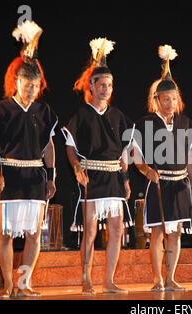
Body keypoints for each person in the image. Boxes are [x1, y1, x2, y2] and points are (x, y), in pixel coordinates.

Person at [0, 21, 57, 298]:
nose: (32, 90)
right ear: (17, 81)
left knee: (34, 235)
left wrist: (52, 176)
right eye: (28, 84)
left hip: (35, 177)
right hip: (7, 177)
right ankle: (9, 286)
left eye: (36, 85)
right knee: (5, 235)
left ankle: (24, 284)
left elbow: (48, 145)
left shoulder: (44, 111)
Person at [62, 37, 134, 294]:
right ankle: (86, 278)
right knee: (90, 231)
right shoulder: (81, 115)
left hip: (114, 178)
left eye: (110, 85)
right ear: (92, 86)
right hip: (91, 177)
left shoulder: (119, 116)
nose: (106, 89)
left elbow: (126, 151)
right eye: (101, 84)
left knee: (116, 229)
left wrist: (126, 180)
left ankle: (109, 280)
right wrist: (76, 169)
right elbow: (70, 147)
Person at [131, 45, 192, 292]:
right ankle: (157, 279)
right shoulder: (145, 123)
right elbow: (135, 155)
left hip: (181, 183)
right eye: (166, 99)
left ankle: (171, 278)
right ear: (156, 100)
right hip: (159, 184)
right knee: (158, 233)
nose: (170, 102)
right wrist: (145, 170)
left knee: (176, 232)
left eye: (174, 98)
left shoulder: (185, 123)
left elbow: (190, 155)